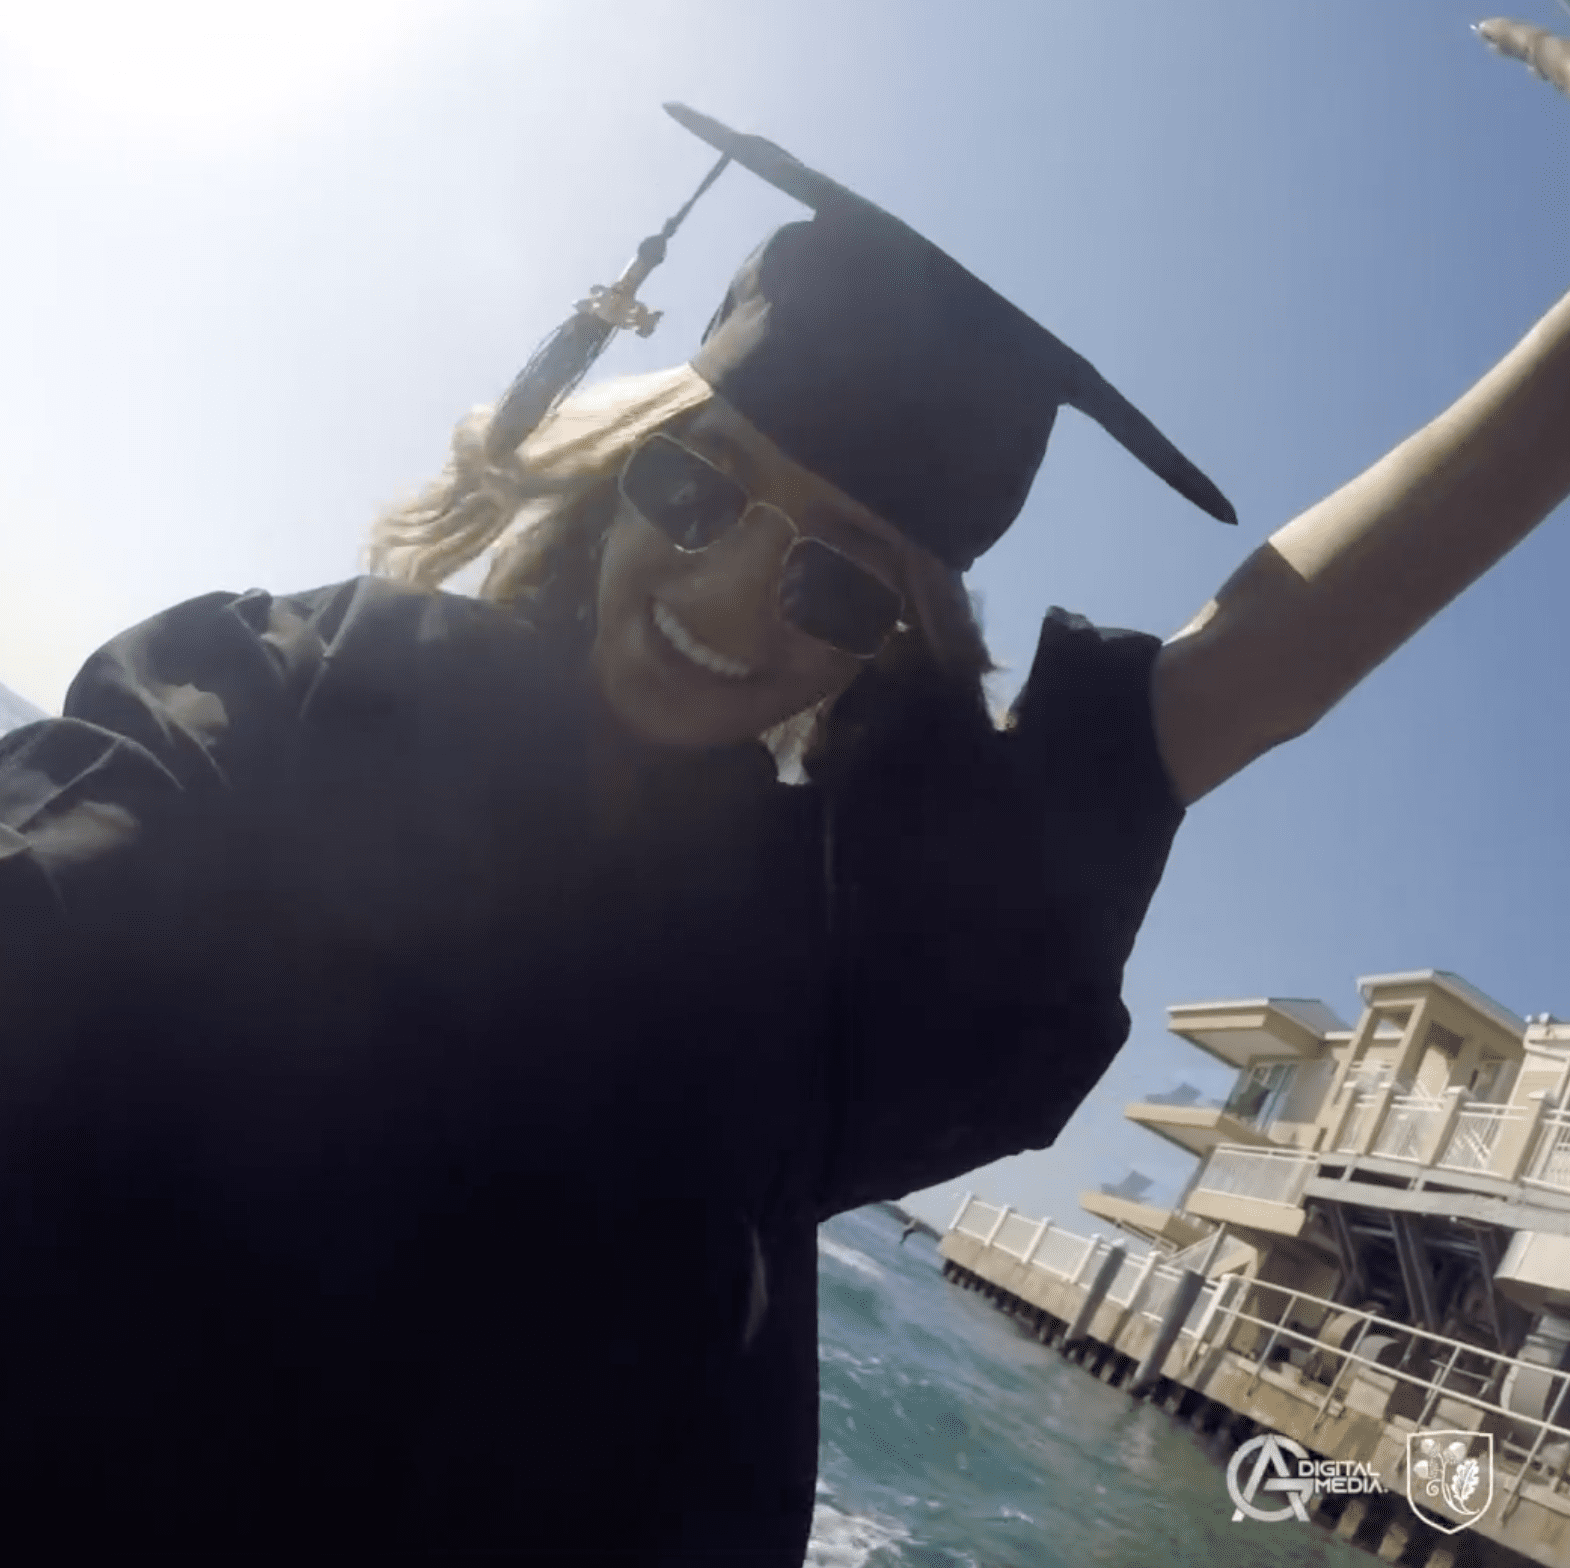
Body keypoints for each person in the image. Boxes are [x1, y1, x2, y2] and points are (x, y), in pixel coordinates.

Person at [1, 82, 1568, 1563]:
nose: (734, 588)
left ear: (897, 646)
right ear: (622, 468)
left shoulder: (828, 950)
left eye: (838, 579)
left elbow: (1265, 658)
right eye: (697, 489)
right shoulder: (300, 693)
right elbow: (70, 877)